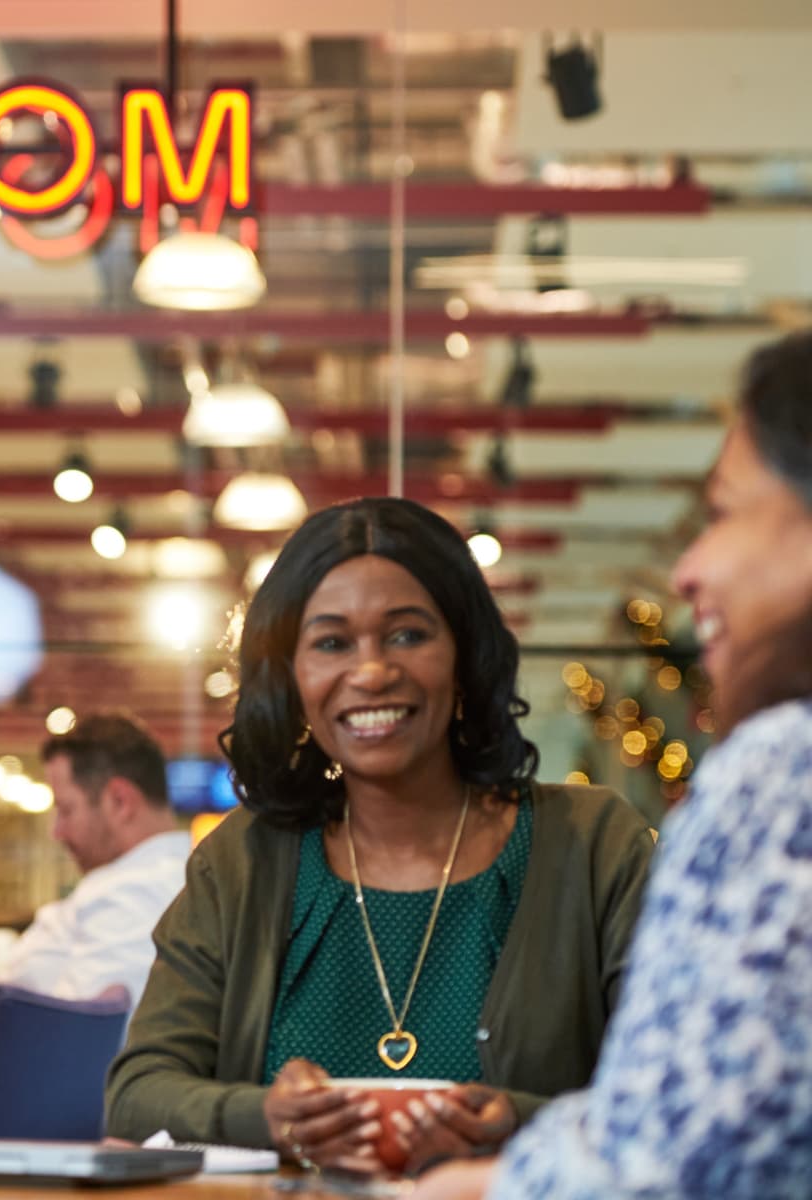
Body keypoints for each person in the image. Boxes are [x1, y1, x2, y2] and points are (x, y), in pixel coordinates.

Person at [105, 497, 656, 1177]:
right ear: (293, 679)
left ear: (464, 658)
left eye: (406, 635)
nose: (370, 672)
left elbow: (675, 1096)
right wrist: (266, 1118)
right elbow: (137, 1092)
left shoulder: (595, 846)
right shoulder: (243, 858)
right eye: (332, 643)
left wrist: (517, 1123)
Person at [410, 331, 812, 1200]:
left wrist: (484, 1183)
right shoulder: (246, 858)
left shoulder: (780, 775)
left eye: (723, 513)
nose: (689, 567)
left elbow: (676, 1148)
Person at [0, 713, 190, 1043]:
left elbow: (85, 1044)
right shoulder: (131, 881)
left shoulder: (144, 892)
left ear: (120, 802)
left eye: (66, 809)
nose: (57, 832)